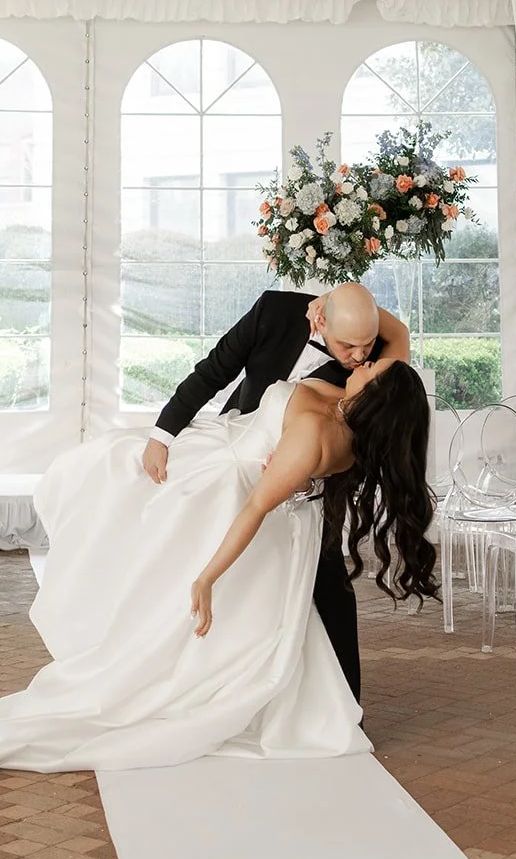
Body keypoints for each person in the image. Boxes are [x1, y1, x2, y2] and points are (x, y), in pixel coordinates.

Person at [0, 340, 435, 776]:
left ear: (375, 398)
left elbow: (256, 507)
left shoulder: (317, 433)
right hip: (224, 459)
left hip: (222, 491)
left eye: (371, 371)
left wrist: (208, 578)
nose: (363, 365)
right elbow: (388, 349)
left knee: (111, 493)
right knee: (110, 483)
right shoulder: (353, 425)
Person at [143, 283, 411, 702]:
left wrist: (310, 469)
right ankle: (192, 667)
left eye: (367, 346)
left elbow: (397, 342)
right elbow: (214, 371)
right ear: (323, 320)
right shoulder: (275, 311)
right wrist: (162, 435)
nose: (361, 357)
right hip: (238, 445)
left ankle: (345, 701)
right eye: (348, 345)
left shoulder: (372, 376)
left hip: (316, 483)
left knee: (327, 577)